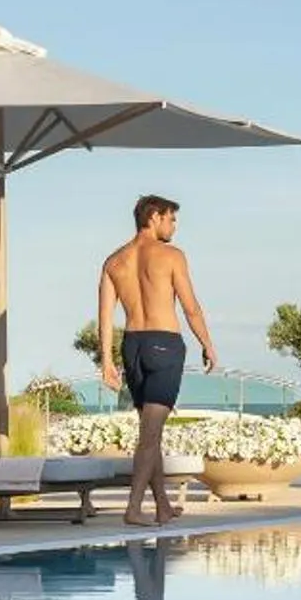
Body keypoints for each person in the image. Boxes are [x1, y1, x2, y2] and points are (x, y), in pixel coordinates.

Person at [99, 193, 221, 527]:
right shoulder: (171, 256)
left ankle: (163, 506)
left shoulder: (114, 261)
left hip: (132, 346)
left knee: (150, 433)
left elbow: (105, 317)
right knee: (150, 436)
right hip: (164, 345)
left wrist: (107, 360)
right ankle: (134, 508)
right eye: (172, 219)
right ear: (154, 217)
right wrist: (208, 344)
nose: (174, 226)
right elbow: (191, 307)